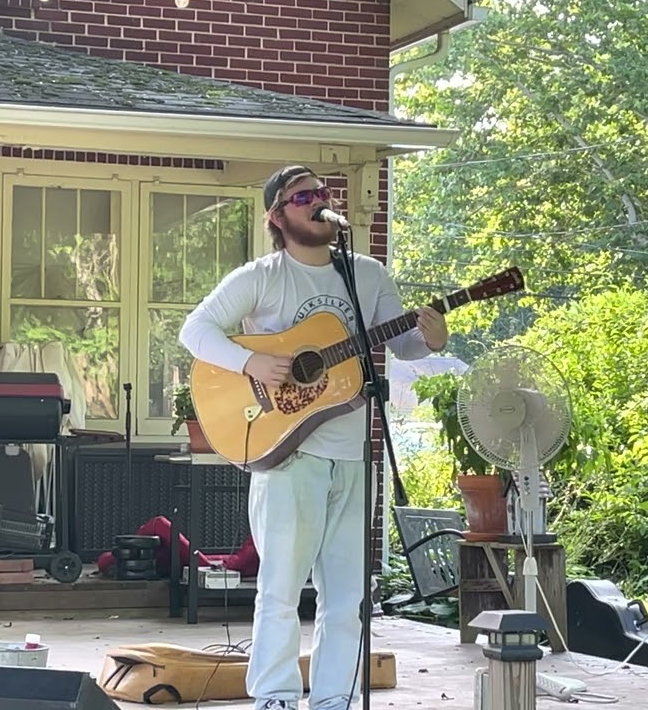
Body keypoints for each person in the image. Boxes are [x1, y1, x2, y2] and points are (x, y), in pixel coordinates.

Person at [177, 165, 449, 710]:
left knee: (347, 597)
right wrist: (253, 359)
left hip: (353, 453)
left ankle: (333, 700)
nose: (319, 201)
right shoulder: (262, 276)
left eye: (323, 193)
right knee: (280, 590)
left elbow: (406, 346)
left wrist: (434, 337)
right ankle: (275, 697)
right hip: (289, 455)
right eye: (304, 196)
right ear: (276, 216)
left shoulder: (366, 275)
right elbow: (195, 331)